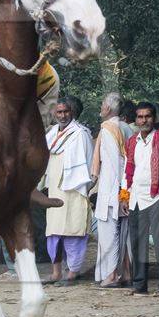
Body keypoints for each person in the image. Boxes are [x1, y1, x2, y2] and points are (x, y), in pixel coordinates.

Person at [43, 96, 94, 286]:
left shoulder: (81, 133)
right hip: (55, 190)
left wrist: (86, 186)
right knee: (54, 232)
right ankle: (56, 272)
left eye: (66, 112)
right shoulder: (51, 134)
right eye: (59, 112)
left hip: (75, 189)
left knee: (74, 231)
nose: (62, 115)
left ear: (72, 112)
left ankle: (72, 272)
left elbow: (88, 163)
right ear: (54, 114)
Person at [125, 102, 159, 296]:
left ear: (154, 118)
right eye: (140, 117)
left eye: (147, 116)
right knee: (137, 243)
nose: (144, 120)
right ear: (135, 120)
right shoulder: (132, 142)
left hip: (157, 197)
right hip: (135, 199)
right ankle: (139, 285)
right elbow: (128, 170)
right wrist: (124, 196)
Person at [92, 92, 133, 287]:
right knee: (123, 233)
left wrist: (118, 192)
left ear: (107, 109)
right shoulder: (127, 127)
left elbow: (117, 162)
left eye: (102, 105)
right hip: (125, 188)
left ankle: (111, 275)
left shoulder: (108, 129)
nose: (101, 108)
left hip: (113, 189)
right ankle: (126, 273)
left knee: (110, 233)